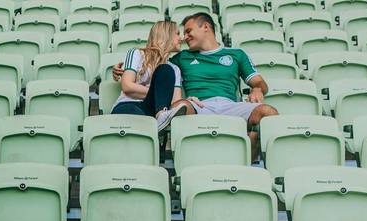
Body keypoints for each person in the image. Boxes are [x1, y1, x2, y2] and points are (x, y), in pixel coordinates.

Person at [113, 12, 279, 161]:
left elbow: (259, 82)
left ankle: (245, 168)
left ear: (206, 27)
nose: (184, 37)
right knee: (181, 105)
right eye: (181, 33)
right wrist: (122, 69)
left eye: (188, 31)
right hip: (199, 106)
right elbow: (157, 66)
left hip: (230, 105)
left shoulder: (237, 54)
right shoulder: (180, 58)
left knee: (268, 112)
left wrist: (257, 89)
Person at [111, 21, 192, 131]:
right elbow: (127, 86)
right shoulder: (136, 53)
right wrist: (158, 92)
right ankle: (156, 125)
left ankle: (161, 116)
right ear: (166, 34)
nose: (181, 38)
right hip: (129, 105)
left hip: (154, 111)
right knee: (143, 123)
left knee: (166, 69)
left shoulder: (174, 69)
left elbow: (174, 103)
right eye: (177, 33)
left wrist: (187, 102)